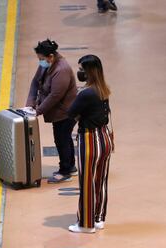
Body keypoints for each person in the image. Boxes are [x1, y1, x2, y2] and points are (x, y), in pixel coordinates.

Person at [67, 55, 113, 233]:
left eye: (81, 69)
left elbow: (71, 112)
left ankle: (86, 224)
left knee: (86, 182)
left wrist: (80, 116)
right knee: (100, 181)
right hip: (105, 139)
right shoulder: (103, 89)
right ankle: (99, 218)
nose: (79, 72)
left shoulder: (86, 93)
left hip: (90, 141)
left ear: (89, 72)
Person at [26, 39, 77, 183]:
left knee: (61, 140)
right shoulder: (46, 65)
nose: (40, 62)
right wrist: (30, 104)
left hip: (66, 112)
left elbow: (55, 96)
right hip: (58, 112)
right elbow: (35, 82)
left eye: (41, 59)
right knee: (64, 138)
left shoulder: (61, 70)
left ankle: (65, 171)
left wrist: (38, 111)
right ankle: (71, 166)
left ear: (51, 56)